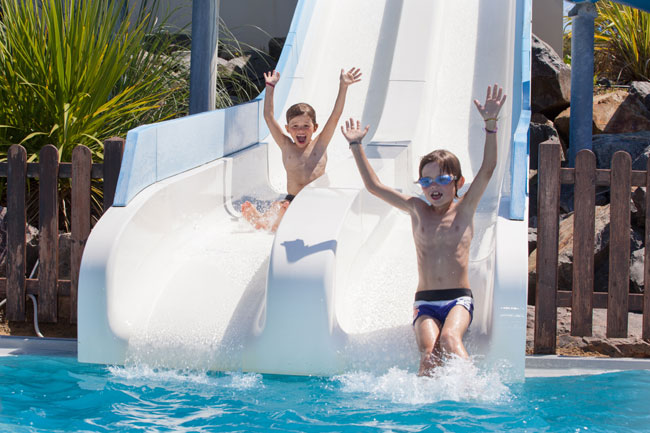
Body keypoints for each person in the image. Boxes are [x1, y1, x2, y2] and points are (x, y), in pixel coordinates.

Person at [340, 84, 506, 376]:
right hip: (425, 301)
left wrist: (491, 125)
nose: (433, 187)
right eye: (426, 181)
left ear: (458, 182)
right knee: (429, 354)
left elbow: (488, 168)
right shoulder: (417, 209)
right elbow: (374, 187)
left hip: (458, 299)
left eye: (442, 179)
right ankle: (426, 400)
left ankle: (472, 391)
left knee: (450, 339)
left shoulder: (465, 208)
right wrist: (356, 146)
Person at [241, 67, 363, 231]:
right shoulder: (286, 146)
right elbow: (268, 117)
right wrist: (270, 88)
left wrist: (343, 86)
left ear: (315, 128)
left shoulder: (320, 144)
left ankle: (268, 222)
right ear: (287, 129)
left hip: (317, 199)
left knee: (288, 212)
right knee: (279, 206)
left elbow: (335, 116)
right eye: (295, 126)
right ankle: (261, 220)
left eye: (306, 126)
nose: (300, 130)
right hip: (292, 199)